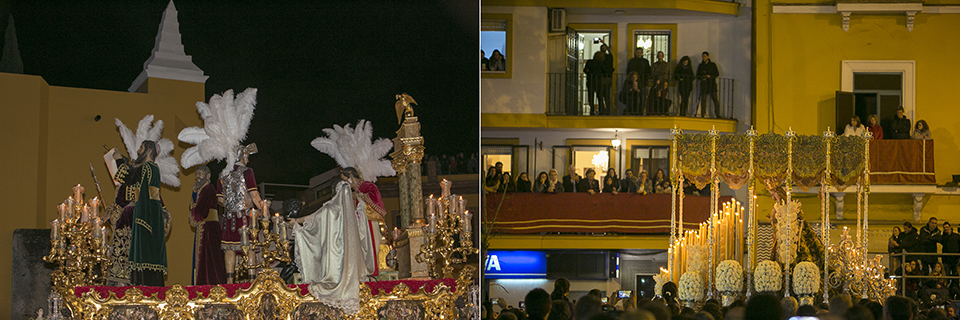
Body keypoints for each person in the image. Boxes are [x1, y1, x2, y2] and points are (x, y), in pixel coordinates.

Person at [112, 140, 166, 286]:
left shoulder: (147, 167)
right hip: (151, 216)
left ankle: (141, 286)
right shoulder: (153, 168)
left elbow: (129, 177)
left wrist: (118, 160)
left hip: (145, 216)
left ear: (148, 151)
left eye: (141, 148)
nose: (138, 151)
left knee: (142, 254)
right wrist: (124, 160)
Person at [218, 146, 263, 284]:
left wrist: (232, 205)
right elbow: (254, 195)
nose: (247, 159)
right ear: (240, 156)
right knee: (250, 247)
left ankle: (229, 282)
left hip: (229, 218)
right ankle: (251, 281)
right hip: (245, 217)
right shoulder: (247, 172)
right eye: (246, 156)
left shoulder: (223, 174)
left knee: (229, 248)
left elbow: (220, 199)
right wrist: (262, 209)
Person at [189, 165, 227, 285]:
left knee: (210, 258)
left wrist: (194, 215)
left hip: (208, 228)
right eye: (197, 175)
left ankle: (210, 284)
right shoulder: (199, 189)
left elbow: (201, 209)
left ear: (208, 176)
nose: (198, 177)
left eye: (200, 174)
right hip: (204, 227)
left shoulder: (209, 188)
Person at [696, 52, 721, 118]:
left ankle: (717, 113)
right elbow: (697, 75)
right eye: (703, 56)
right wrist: (703, 77)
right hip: (704, 84)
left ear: (708, 57)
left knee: (715, 99)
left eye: (704, 56)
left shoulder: (712, 65)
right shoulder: (701, 66)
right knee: (703, 99)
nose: (703, 58)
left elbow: (716, 74)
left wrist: (710, 76)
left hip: (711, 84)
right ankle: (703, 114)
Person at [626, 47, 651, 115]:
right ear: (635, 53)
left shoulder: (645, 62)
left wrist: (645, 79)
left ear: (642, 53)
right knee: (632, 98)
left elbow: (648, 72)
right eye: (638, 52)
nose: (639, 54)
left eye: (640, 52)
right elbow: (628, 71)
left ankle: (640, 112)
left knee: (642, 98)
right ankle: (632, 111)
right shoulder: (632, 61)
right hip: (633, 82)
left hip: (642, 82)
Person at [584, 51, 605, 115]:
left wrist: (589, 74)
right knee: (600, 96)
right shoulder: (601, 63)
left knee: (591, 96)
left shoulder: (590, 62)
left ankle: (592, 110)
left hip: (590, 80)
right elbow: (604, 71)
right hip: (598, 81)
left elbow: (585, 70)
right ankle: (601, 110)